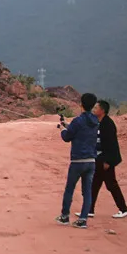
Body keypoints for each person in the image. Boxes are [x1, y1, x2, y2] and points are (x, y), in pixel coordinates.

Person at [56, 93, 99, 229]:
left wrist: (62, 129)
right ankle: (83, 219)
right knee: (87, 191)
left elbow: (67, 137)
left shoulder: (78, 121)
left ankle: (64, 216)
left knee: (69, 189)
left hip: (77, 161)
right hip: (91, 161)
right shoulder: (95, 121)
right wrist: (67, 124)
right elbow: (80, 130)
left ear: (81, 104)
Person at [86, 100, 127, 218]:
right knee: (94, 184)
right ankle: (89, 210)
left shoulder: (108, 124)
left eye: (96, 108)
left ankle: (124, 209)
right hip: (98, 158)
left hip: (106, 160)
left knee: (111, 184)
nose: (94, 110)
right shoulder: (97, 122)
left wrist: (108, 161)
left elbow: (112, 145)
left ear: (102, 111)